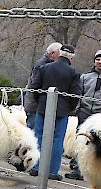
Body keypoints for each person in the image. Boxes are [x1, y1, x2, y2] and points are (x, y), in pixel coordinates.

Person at [65, 50, 101, 180]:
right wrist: (78, 108)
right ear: (95, 61)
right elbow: (78, 93)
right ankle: (77, 168)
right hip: (84, 113)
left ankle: (96, 171)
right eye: (98, 59)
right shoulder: (85, 77)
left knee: (97, 144)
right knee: (80, 140)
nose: (100, 62)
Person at [28, 44, 81, 181]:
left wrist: (41, 101)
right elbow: (75, 95)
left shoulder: (44, 68)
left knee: (39, 136)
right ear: (72, 57)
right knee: (58, 139)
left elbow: (34, 88)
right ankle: (52, 170)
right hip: (62, 111)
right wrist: (69, 108)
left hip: (43, 107)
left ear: (59, 53)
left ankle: (36, 166)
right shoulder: (73, 73)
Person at [23, 42, 62, 129]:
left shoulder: (48, 64)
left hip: (40, 104)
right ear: (52, 53)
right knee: (33, 130)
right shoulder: (41, 65)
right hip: (34, 105)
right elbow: (34, 85)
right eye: (59, 54)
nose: (60, 57)